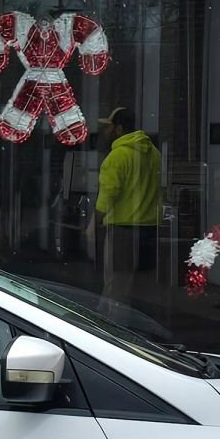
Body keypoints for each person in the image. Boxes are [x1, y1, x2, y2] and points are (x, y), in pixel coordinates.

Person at [93, 107, 162, 308]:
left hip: (122, 230)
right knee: (143, 285)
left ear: (120, 129)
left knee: (117, 284)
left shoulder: (117, 157)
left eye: (110, 127)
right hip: (150, 229)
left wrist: (93, 223)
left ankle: (111, 328)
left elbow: (108, 195)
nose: (106, 132)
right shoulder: (154, 154)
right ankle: (140, 327)